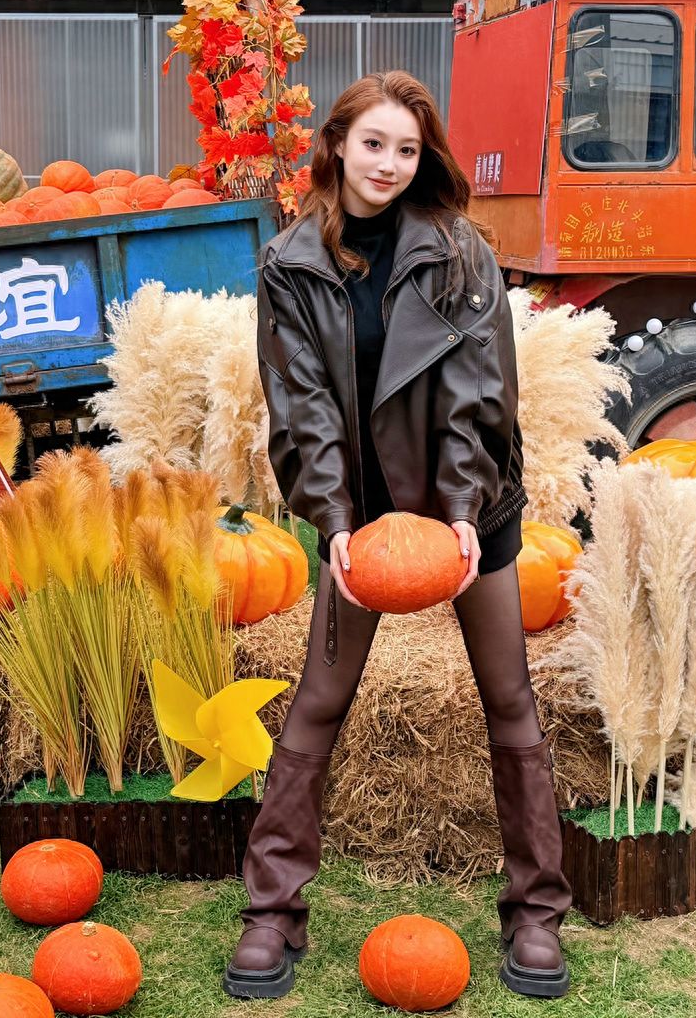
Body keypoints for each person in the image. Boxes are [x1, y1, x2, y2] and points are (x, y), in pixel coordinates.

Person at [225, 71, 572, 1001]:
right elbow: (297, 407)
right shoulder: (289, 264)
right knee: (317, 706)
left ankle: (536, 912)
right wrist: (335, 519)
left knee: (510, 699)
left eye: (407, 149)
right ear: (337, 144)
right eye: (372, 143)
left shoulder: (461, 253)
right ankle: (271, 916)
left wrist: (461, 512)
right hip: (362, 523)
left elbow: (481, 397)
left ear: (425, 160)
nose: (388, 164)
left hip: (467, 514)